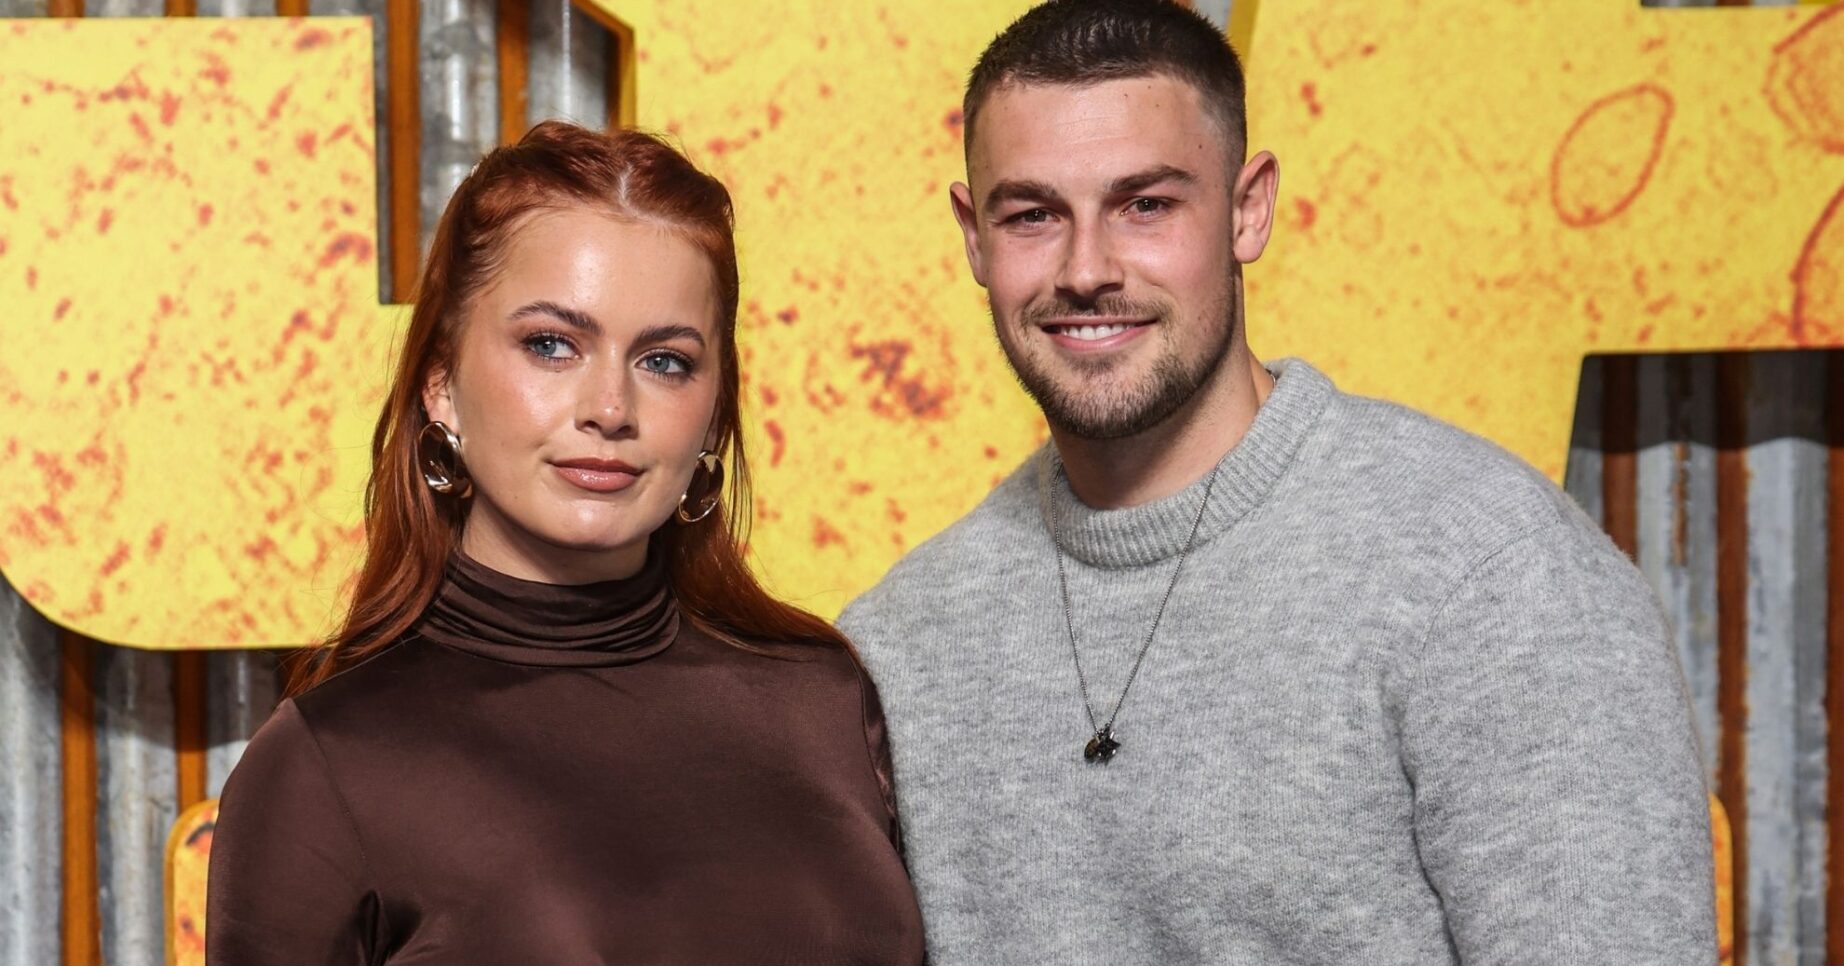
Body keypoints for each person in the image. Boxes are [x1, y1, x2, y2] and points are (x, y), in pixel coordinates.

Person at [837, 2, 1715, 963]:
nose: (1086, 269)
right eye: (1033, 215)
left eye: (1147, 205)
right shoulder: (895, 646)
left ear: (1248, 208)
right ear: (973, 235)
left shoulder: (1490, 573)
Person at [207, 121, 923, 964]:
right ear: (441, 380)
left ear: (715, 410)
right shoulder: (326, 769)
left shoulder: (824, 703)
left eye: (665, 361)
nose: (610, 408)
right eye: (552, 345)